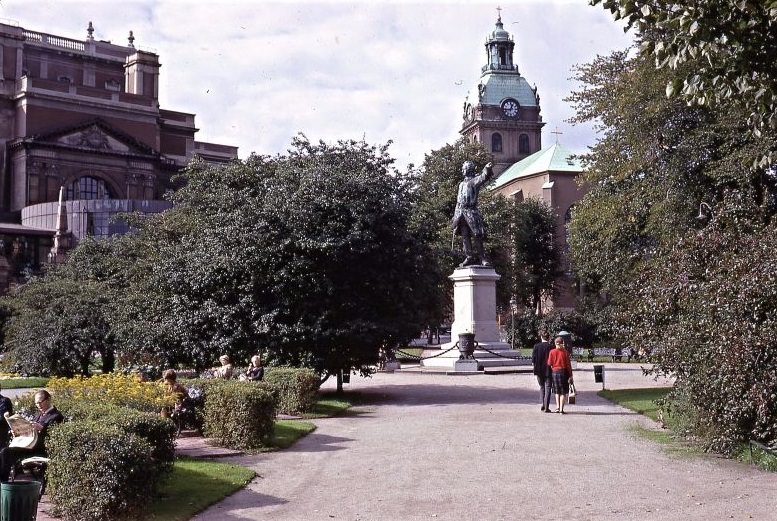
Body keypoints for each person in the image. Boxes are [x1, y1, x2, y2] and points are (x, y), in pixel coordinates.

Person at [0, 389, 63, 481]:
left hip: (40, 448)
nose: (39, 405)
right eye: (36, 403)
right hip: (30, 445)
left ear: (48, 400)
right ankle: (3, 481)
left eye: (40, 402)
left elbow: (56, 435)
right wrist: (17, 432)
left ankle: (3, 482)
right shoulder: (38, 415)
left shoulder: (56, 416)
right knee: (4, 451)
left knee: (5, 452)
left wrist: (41, 428)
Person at [451, 161, 496, 267]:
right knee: (465, 236)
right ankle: (469, 257)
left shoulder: (474, 181)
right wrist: (455, 216)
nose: (462, 170)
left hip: (471, 212)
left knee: (477, 235)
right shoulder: (461, 184)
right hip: (461, 213)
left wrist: (487, 169)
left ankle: (482, 258)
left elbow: (483, 177)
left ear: (468, 169)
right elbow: (458, 201)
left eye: (464, 168)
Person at [547, 336, 574, 414]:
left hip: (554, 372)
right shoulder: (565, 352)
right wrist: (571, 375)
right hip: (563, 373)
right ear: (562, 343)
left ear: (555, 343)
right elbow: (568, 365)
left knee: (557, 391)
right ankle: (561, 410)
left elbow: (549, 363)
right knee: (563, 392)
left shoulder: (552, 352)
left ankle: (557, 407)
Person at [531, 331, 553, 412]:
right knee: (548, 388)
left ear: (541, 337)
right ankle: (546, 406)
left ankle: (543, 404)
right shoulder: (551, 347)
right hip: (548, 370)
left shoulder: (536, 346)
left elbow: (533, 361)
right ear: (549, 338)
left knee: (542, 387)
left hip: (539, 370)